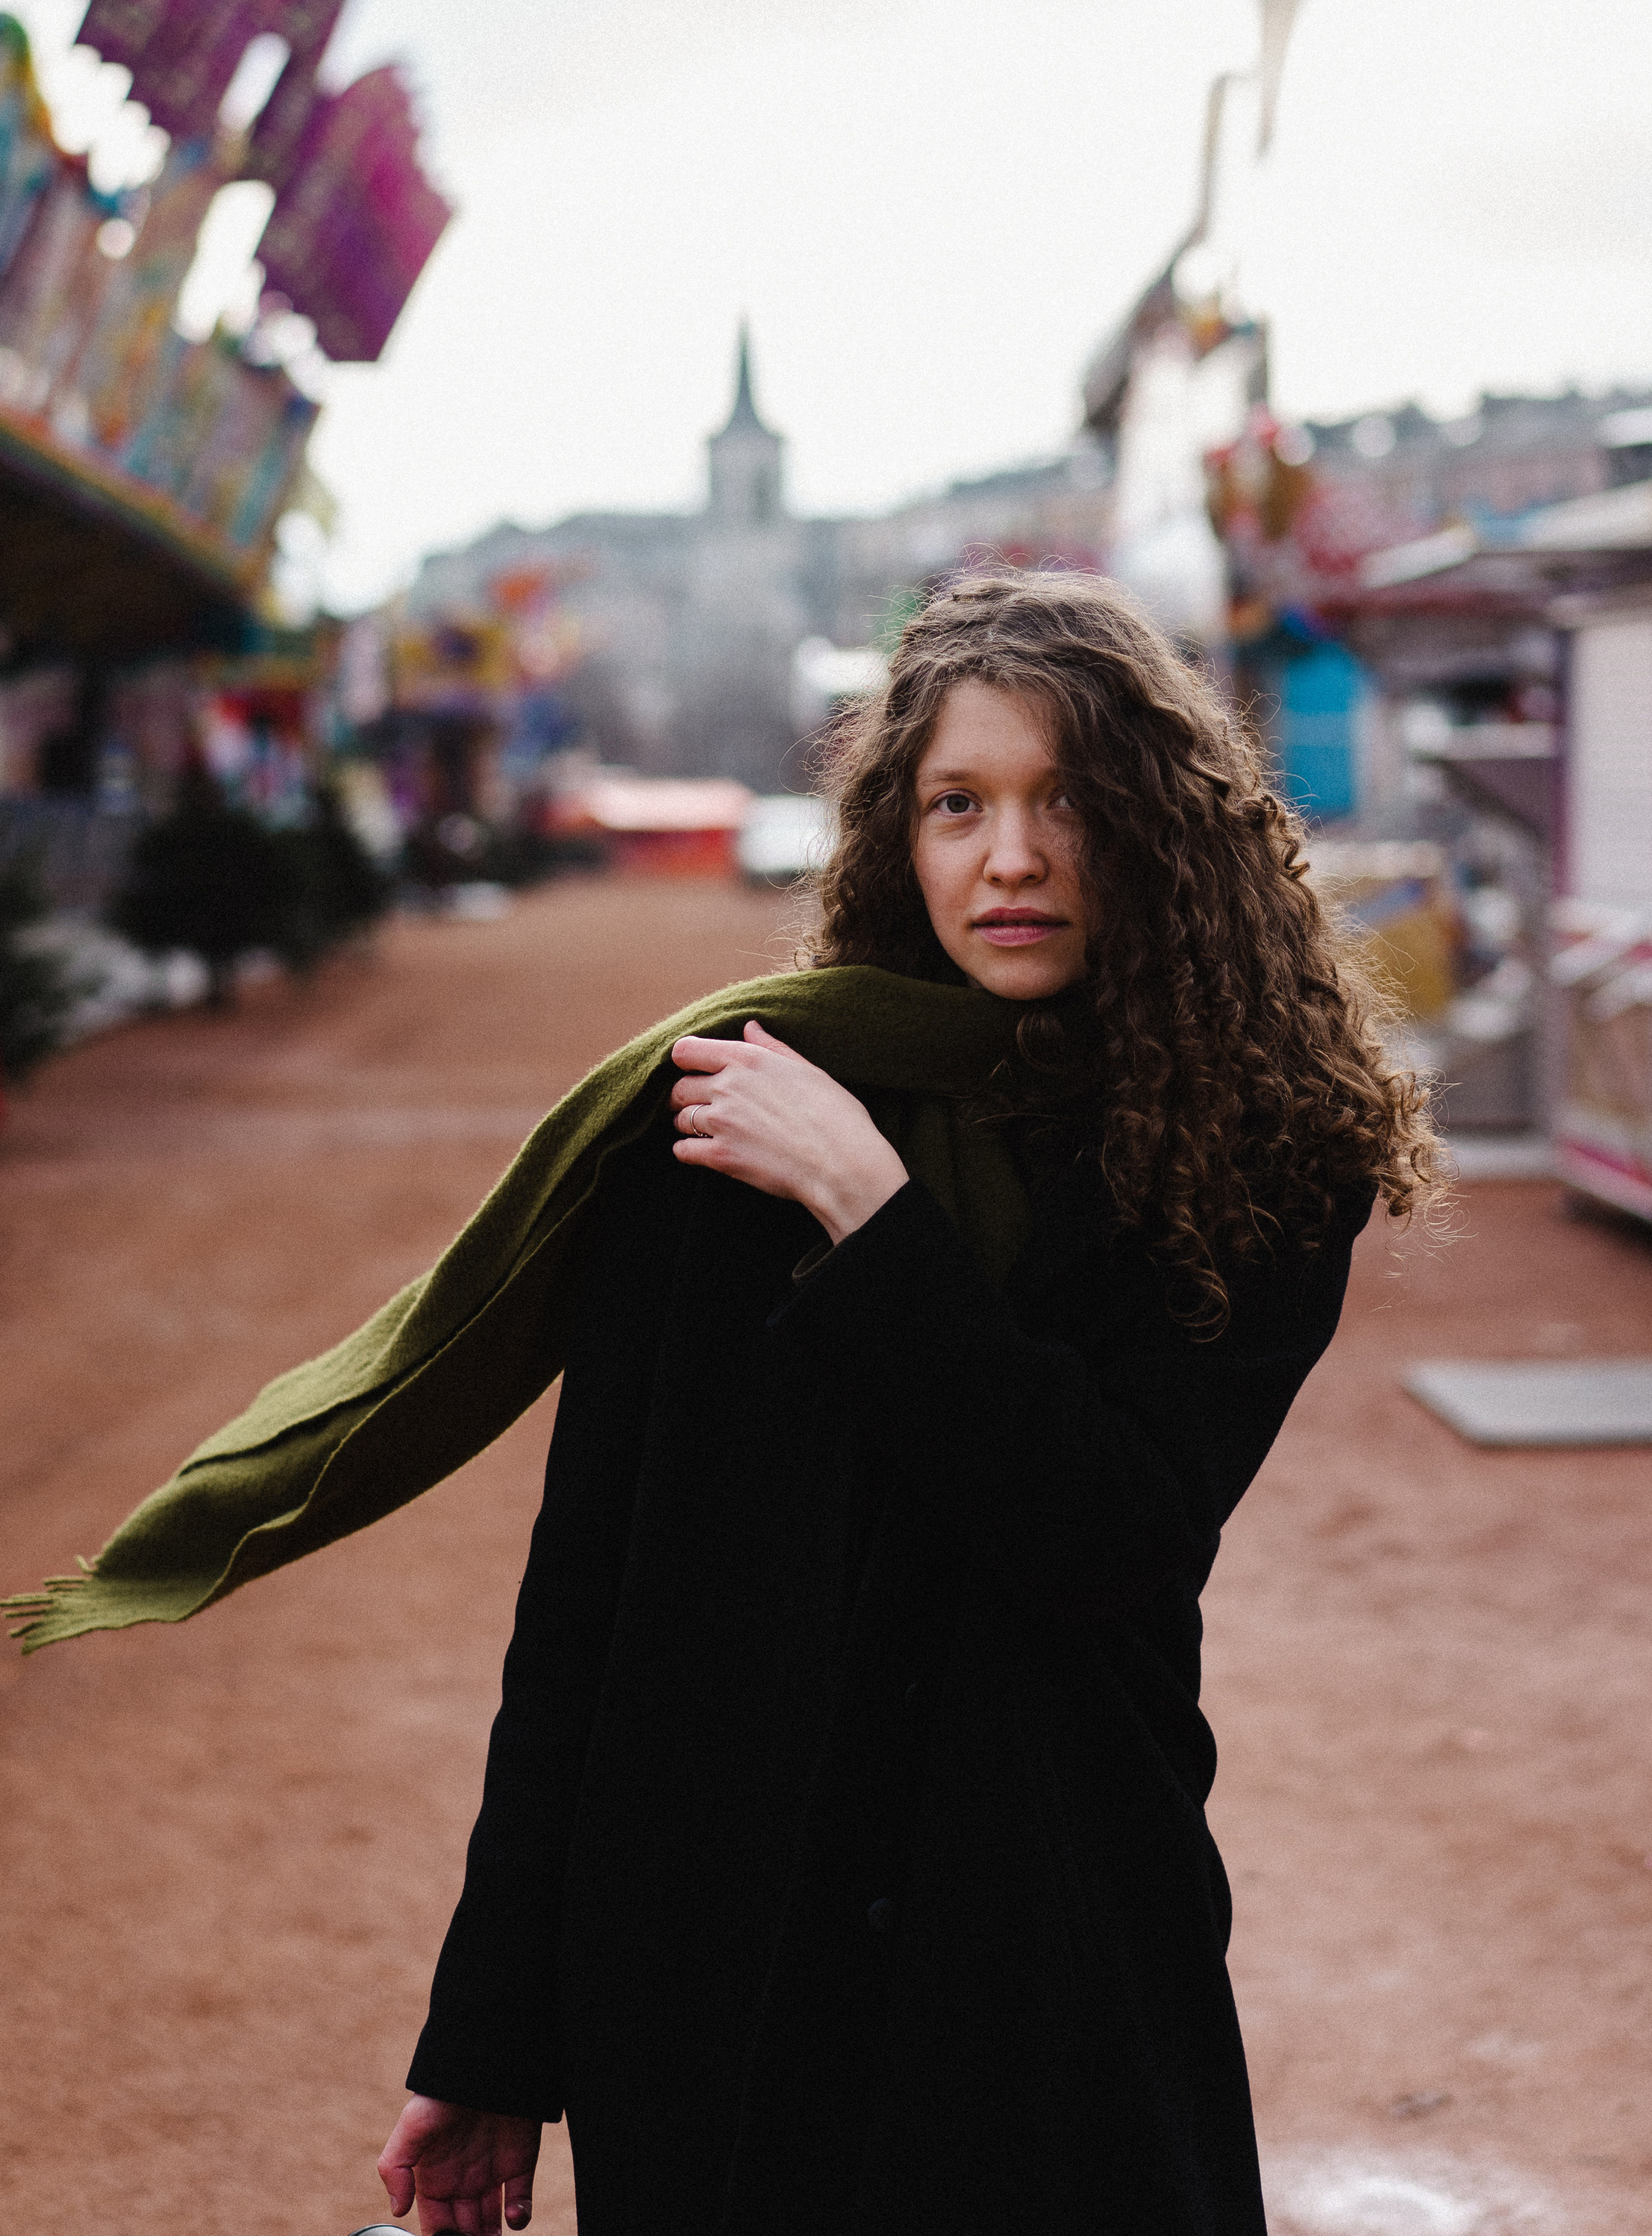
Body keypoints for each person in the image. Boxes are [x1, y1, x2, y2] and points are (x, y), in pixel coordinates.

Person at [373, 569, 1441, 2236]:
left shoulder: (1260, 1153)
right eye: (958, 804)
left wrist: (872, 1220)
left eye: (1066, 800)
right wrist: (493, 2030)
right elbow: (588, 1599)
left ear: (1164, 827)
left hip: (1039, 1949)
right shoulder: (730, 1114)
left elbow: (1105, 1539)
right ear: (896, 834)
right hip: (724, 1947)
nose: (1008, 857)